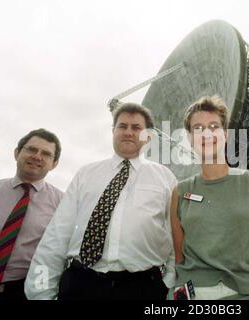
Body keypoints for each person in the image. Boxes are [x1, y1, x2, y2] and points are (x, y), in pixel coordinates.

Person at [24, 102, 177, 300]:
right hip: (81, 284)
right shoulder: (86, 174)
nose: (128, 132)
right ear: (113, 131)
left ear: (148, 135)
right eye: (122, 126)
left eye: (136, 127)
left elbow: (176, 236)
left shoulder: (166, 178)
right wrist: (40, 293)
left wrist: (169, 283)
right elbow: (57, 235)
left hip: (141, 288)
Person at [170, 95, 249, 300]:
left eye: (214, 126)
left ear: (226, 134)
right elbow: (180, 258)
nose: (206, 133)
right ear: (189, 138)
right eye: (197, 128)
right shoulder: (180, 192)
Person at [0, 128, 63, 300]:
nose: (37, 156)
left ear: (54, 163)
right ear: (17, 153)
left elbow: (56, 255)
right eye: (31, 149)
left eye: (46, 154)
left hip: (21, 293)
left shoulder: (63, 204)